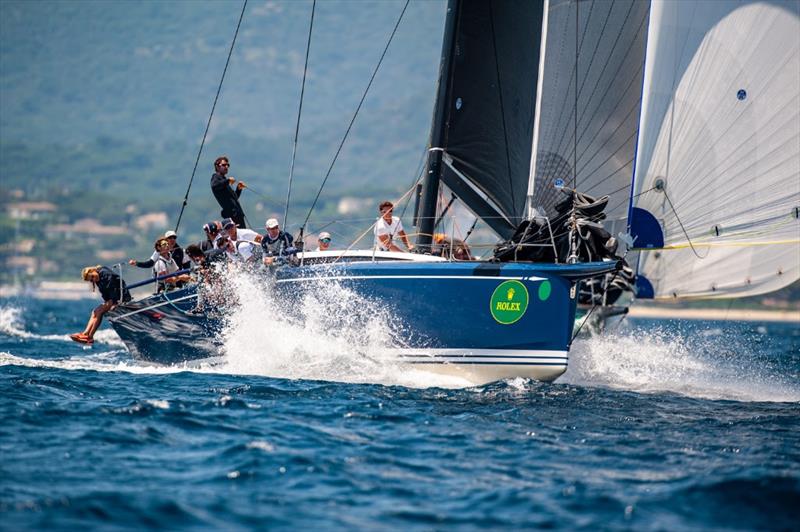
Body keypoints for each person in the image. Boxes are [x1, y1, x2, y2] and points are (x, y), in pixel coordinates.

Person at [70, 265, 131, 345]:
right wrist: (107, 302)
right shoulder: (98, 280)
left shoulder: (104, 272)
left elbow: (113, 288)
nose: (93, 280)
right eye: (91, 280)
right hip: (113, 299)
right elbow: (105, 294)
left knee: (99, 311)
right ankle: (85, 334)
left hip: (120, 298)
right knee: (94, 312)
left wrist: (114, 303)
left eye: (92, 277)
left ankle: (90, 337)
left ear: (93, 271)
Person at [210, 155, 247, 228]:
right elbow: (215, 186)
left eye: (228, 165)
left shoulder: (223, 180)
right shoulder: (215, 177)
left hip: (237, 214)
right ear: (217, 167)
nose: (226, 167)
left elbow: (234, 198)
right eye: (224, 165)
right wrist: (228, 181)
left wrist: (239, 189)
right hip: (232, 215)